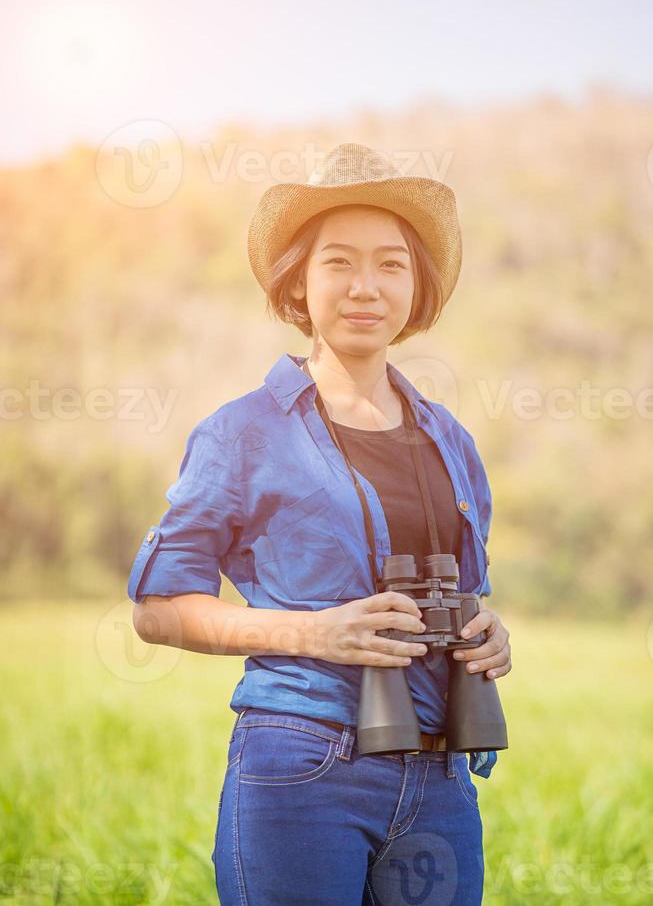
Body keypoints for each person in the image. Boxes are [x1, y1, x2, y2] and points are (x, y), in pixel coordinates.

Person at [128, 142, 512, 905]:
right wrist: (311, 633)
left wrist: (487, 632)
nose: (365, 286)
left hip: (439, 773)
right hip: (303, 763)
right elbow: (156, 610)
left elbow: (469, 590)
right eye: (338, 262)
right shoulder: (242, 433)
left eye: (391, 264)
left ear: (418, 285)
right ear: (299, 281)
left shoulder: (453, 442)